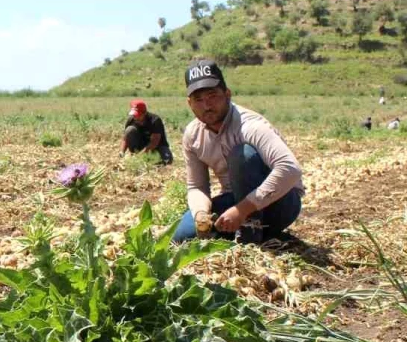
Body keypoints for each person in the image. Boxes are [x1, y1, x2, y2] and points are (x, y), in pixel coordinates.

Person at [172, 59, 304, 245]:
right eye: (198, 100)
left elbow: (290, 169)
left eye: (212, 96)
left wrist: (242, 210)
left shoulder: (250, 125)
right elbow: (197, 186)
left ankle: (250, 236)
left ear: (227, 94)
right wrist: (201, 214)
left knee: (243, 154)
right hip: (235, 200)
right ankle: (250, 231)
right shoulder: (193, 135)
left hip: (280, 202)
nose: (206, 105)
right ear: (189, 104)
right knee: (182, 238)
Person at [120, 99, 173, 164]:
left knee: (167, 160)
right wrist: (122, 152)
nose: (136, 118)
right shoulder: (131, 120)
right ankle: (134, 154)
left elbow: (154, 143)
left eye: (138, 115)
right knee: (129, 130)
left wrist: (139, 156)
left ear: (144, 113)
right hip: (140, 146)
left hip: (157, 147)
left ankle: (143, 158)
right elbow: (125, 138)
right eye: (134, 115)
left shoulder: (155, 120)